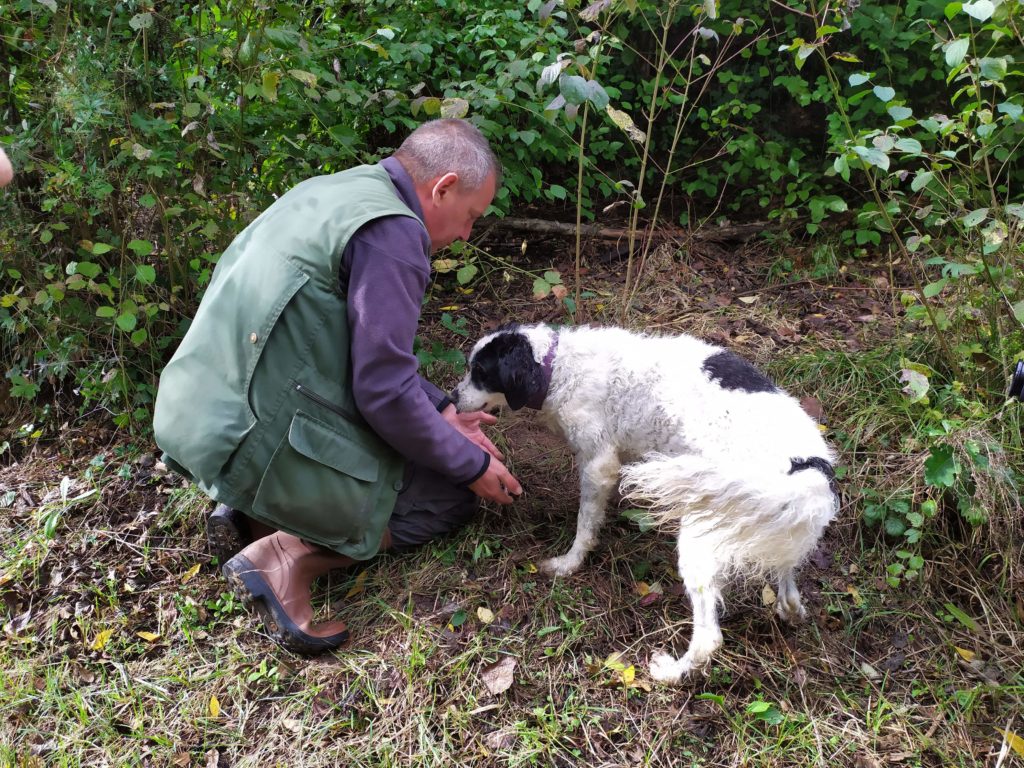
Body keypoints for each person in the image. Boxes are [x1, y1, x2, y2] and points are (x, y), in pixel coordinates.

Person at [153, 119, 522, 653]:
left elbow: (354, 350)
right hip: (253, 434)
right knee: (445, 497)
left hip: (200, 412)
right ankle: (285, 557)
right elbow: (383, 392)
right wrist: (474, 466)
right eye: (470, 217)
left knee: (423, 445)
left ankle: (252, 509)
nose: (467, 234)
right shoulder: (396, 236)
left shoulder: (336, 190)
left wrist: (442, 410)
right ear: (442, 188)